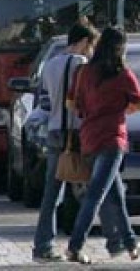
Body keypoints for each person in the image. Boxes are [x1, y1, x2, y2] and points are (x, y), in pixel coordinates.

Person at [65, 27, 140, 264]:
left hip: (89, 139)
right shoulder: (123, 74)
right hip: (112, 140)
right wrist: (126, 108)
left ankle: (130, 243)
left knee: (117, 193)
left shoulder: (83, 72)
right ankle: (75, 246)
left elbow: (71, 104)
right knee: (95, 195)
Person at [31, 23, 102, 262]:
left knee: (51, 193)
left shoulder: (49, 65)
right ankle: (83, 244)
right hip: (78, 133)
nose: (92, 51)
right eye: (91, 45)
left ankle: (42, 246)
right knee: (94, 189)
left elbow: (47, 101)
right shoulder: (82, 65)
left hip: (55, 132)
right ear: (83, 42)